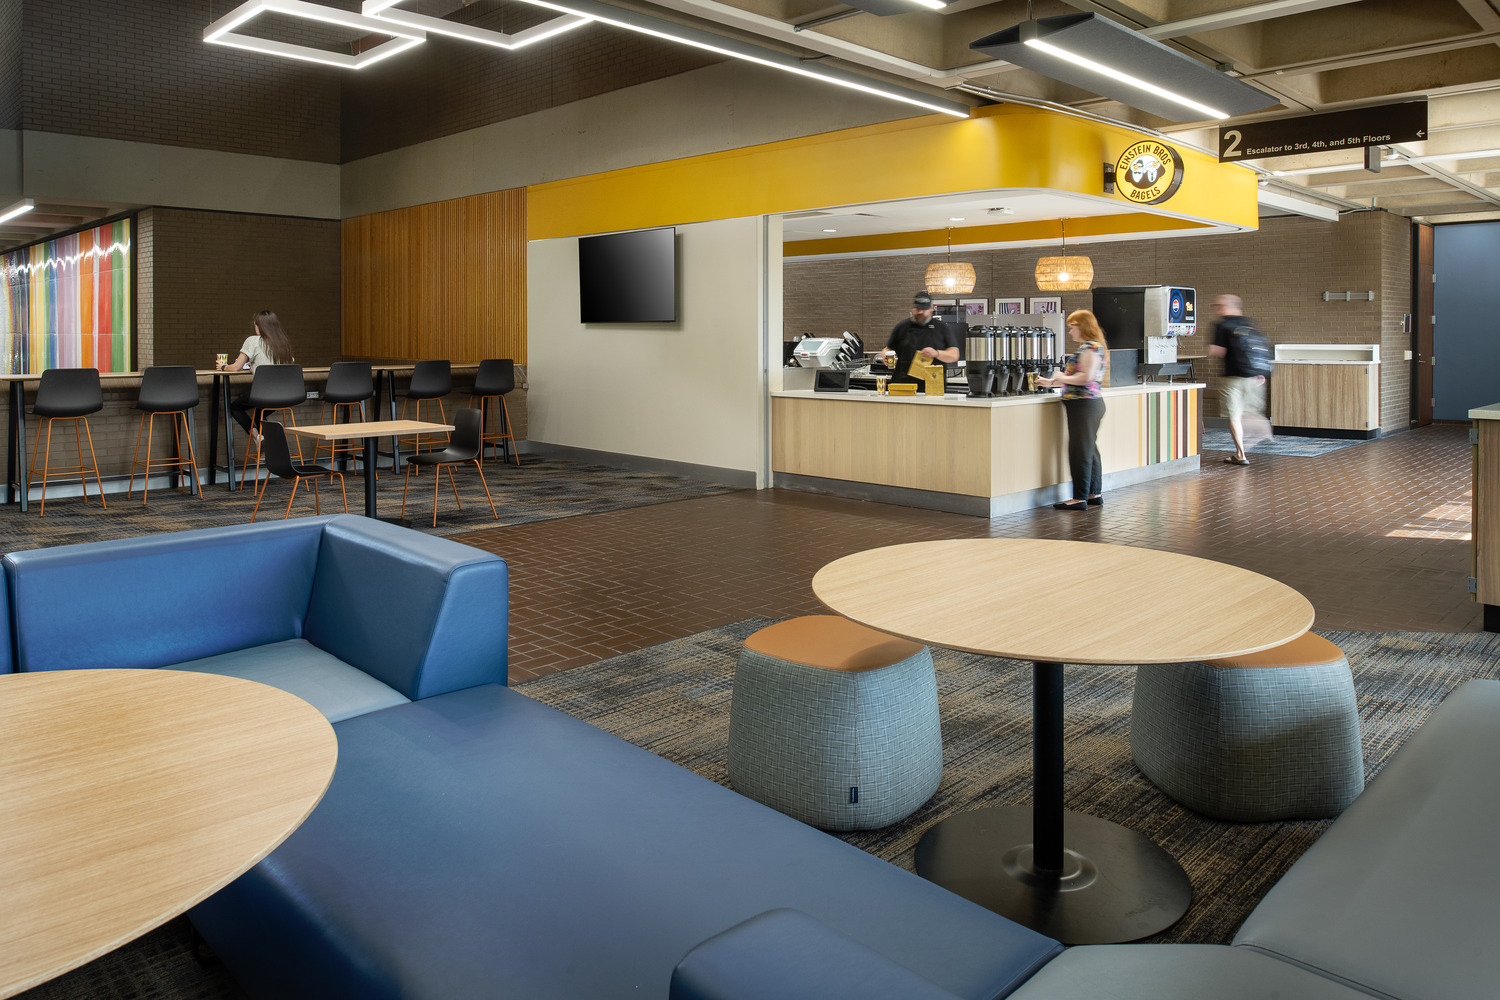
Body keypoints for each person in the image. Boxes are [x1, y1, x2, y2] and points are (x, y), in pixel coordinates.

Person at [1038, 310, 1107, 511]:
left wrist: (1060, 376)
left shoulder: (1090, 348)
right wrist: (1052, 381)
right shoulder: (1094, 347)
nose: (1070, 332)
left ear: (1082, 327)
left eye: (1072, 327)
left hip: (1084, 405)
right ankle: (1094, 494)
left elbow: (1086, 377)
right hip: (1087, 404)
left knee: (1080, 451)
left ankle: (1079, 498)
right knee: (1089, 449)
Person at [1207, 294, 1269, 466]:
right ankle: (1262, 429)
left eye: (1218, 305)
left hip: (1233, 378)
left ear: (1225, 307)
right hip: (1255, 377)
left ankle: (1241, 454)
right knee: (1248, 413)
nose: (1217, 308)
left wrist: (1212, 349)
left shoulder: (1222, 325)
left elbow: (1217, 351)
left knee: (1234, 416)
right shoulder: (1249, 323)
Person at [219, 310, 295, 445]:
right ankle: (268, 448)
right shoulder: (284, 344)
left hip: (264, 394)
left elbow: (236, 367)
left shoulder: (253, 341)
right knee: (261, 412)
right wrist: (254, 364)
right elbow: (286, 366)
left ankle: (257, 437)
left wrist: (223, 367)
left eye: (255, 325)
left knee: (235, 407)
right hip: (286, 395)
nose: (255, 328)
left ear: (261, 326)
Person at [879, 291, 958, 388]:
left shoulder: (941, 328)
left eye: (923, 309)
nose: (920, 312)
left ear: (931, 309)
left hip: (933, 386)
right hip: (903, 385)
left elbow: (954, 355)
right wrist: (885, 355)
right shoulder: (902, 327)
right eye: (917, 309)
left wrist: (936, 353)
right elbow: (888, 348)